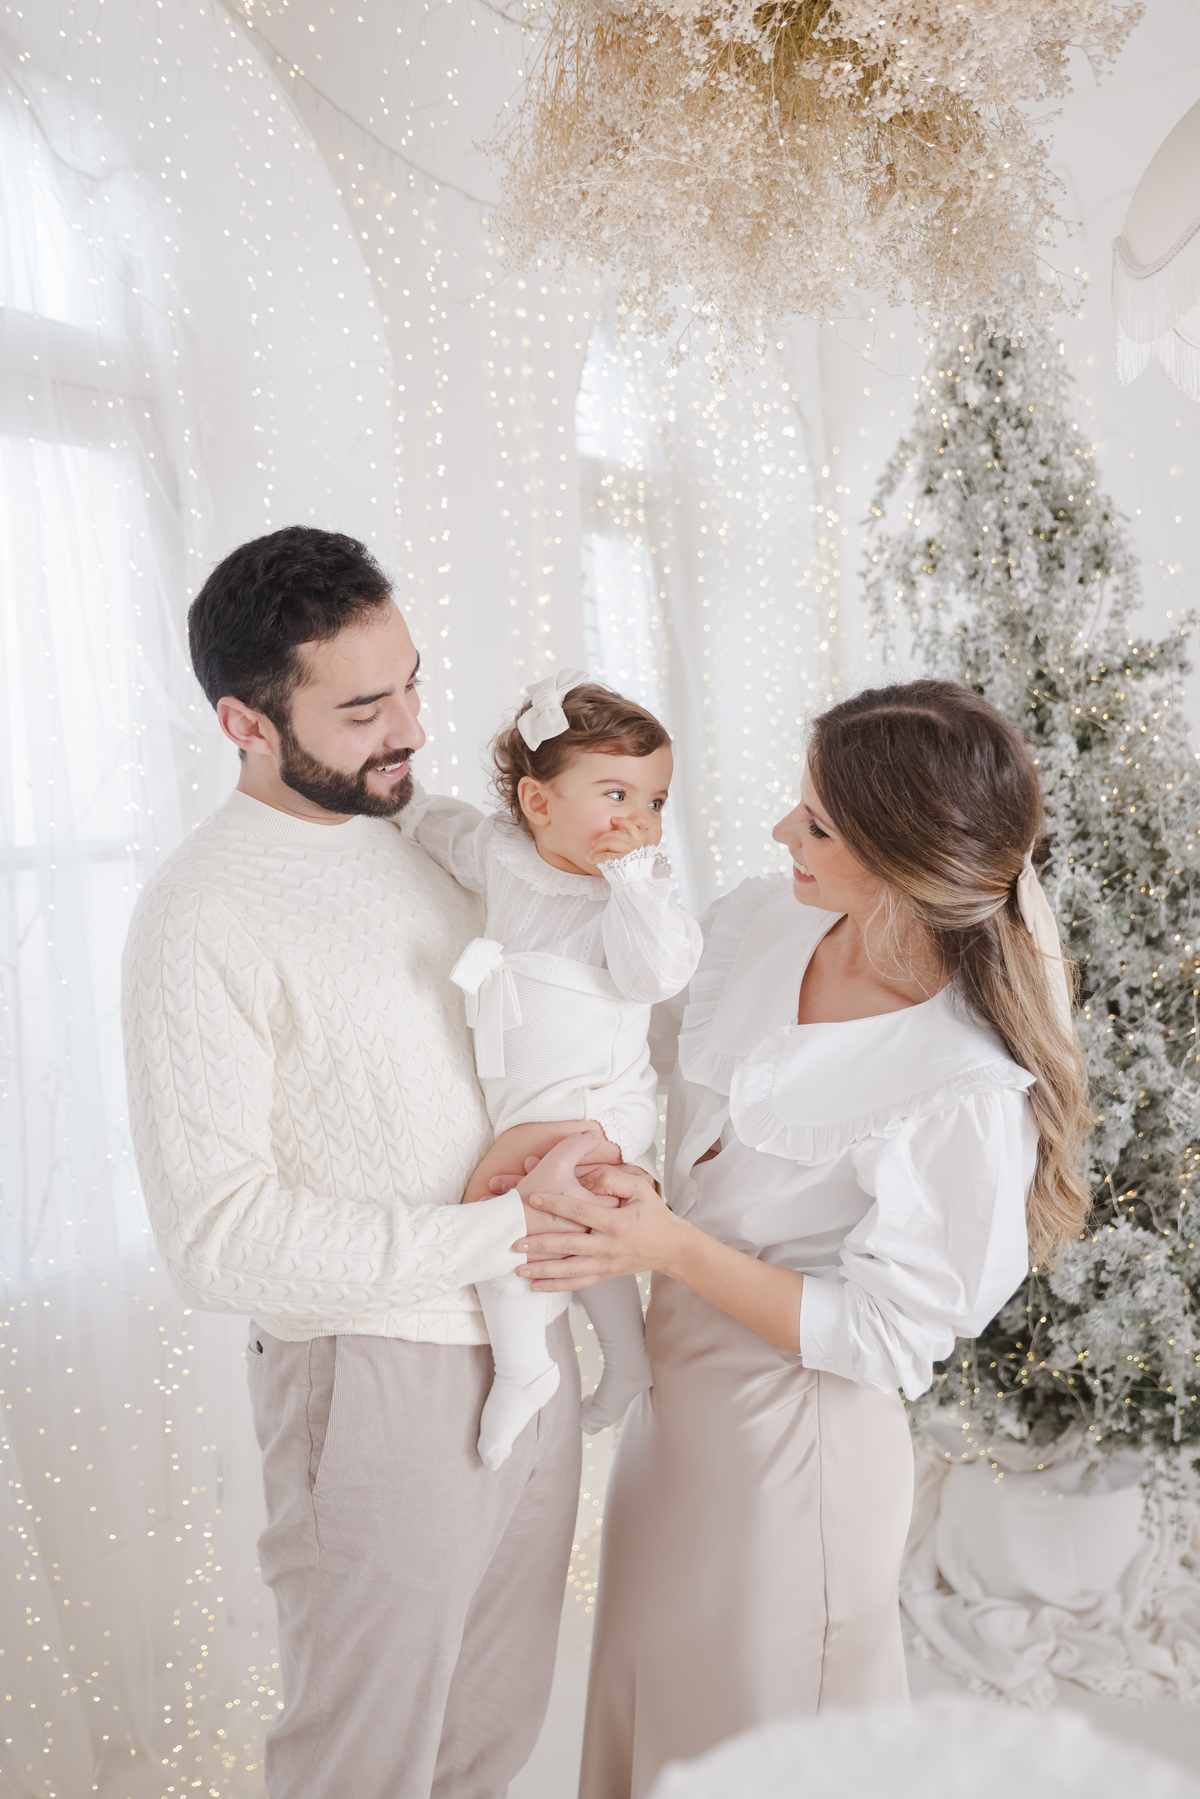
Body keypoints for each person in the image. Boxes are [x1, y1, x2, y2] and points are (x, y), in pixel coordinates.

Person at [508, 680, 1092, 1799]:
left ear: (900, 854)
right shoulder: (763, 920)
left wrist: (667, 1245)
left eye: (817, 821)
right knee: (655, 1710)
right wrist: (619, 1157)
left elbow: (882, 1338)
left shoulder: (962, 1082)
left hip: (797, 1458)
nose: (784, 831)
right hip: (671, 1422)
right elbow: (663, 1088)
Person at [121, 527, 582, 1799]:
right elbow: (216, 1241)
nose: (411, 730)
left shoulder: (424, 846)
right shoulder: (200, 913)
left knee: (486, 1745)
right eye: (365, 706)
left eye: (414, 684)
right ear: (245, 721)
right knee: (363, 1766)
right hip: (372, 1376)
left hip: (528, 1341)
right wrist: (506, 1235)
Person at [406, 670, 702, 1468]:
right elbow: (445, 830)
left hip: (599, 1098)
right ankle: (627, 1355)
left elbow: (659, 974)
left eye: (654, 802)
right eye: (616, 796)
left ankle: (524, 1366)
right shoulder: (504, 852)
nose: (639, 821)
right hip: (536, 1096)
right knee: (583, 1227)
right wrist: (401, 801)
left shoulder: (634, 896)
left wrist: (634, 879)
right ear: (539, 805)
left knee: (499, 1200)